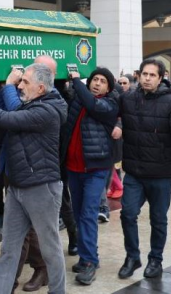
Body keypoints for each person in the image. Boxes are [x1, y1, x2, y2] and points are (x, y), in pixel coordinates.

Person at [0, 63, 67, 294]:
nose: (20, 84)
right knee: (9, 249)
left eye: (25, 82)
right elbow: (9, 113)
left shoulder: (47, 111)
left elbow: (6, 120)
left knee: (50, 249)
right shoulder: (33, 103)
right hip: (18, 186)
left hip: (41, 188)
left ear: (40, 88)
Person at [118, 58, 171, 279]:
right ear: (138, 75)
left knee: (158, 219)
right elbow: (109, 113)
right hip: (134, 170)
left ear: (161, 78)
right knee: (127, 214)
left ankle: (156, 259)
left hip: (161, 174)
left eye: (152, 75)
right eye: (144, 74)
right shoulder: (128, 99)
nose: (147, 78)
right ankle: (132, 256)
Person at [63, 67, 118, 285]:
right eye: (94, 79)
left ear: (109, 87)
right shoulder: (79, 98)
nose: (97, 83)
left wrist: (77, 81)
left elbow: (92, 104)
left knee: (87, 214)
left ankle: (88, 261)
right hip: (73, 168)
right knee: (78, 213)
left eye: (102, 81)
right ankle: (89, 254)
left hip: (96, 170)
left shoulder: (109, 105)